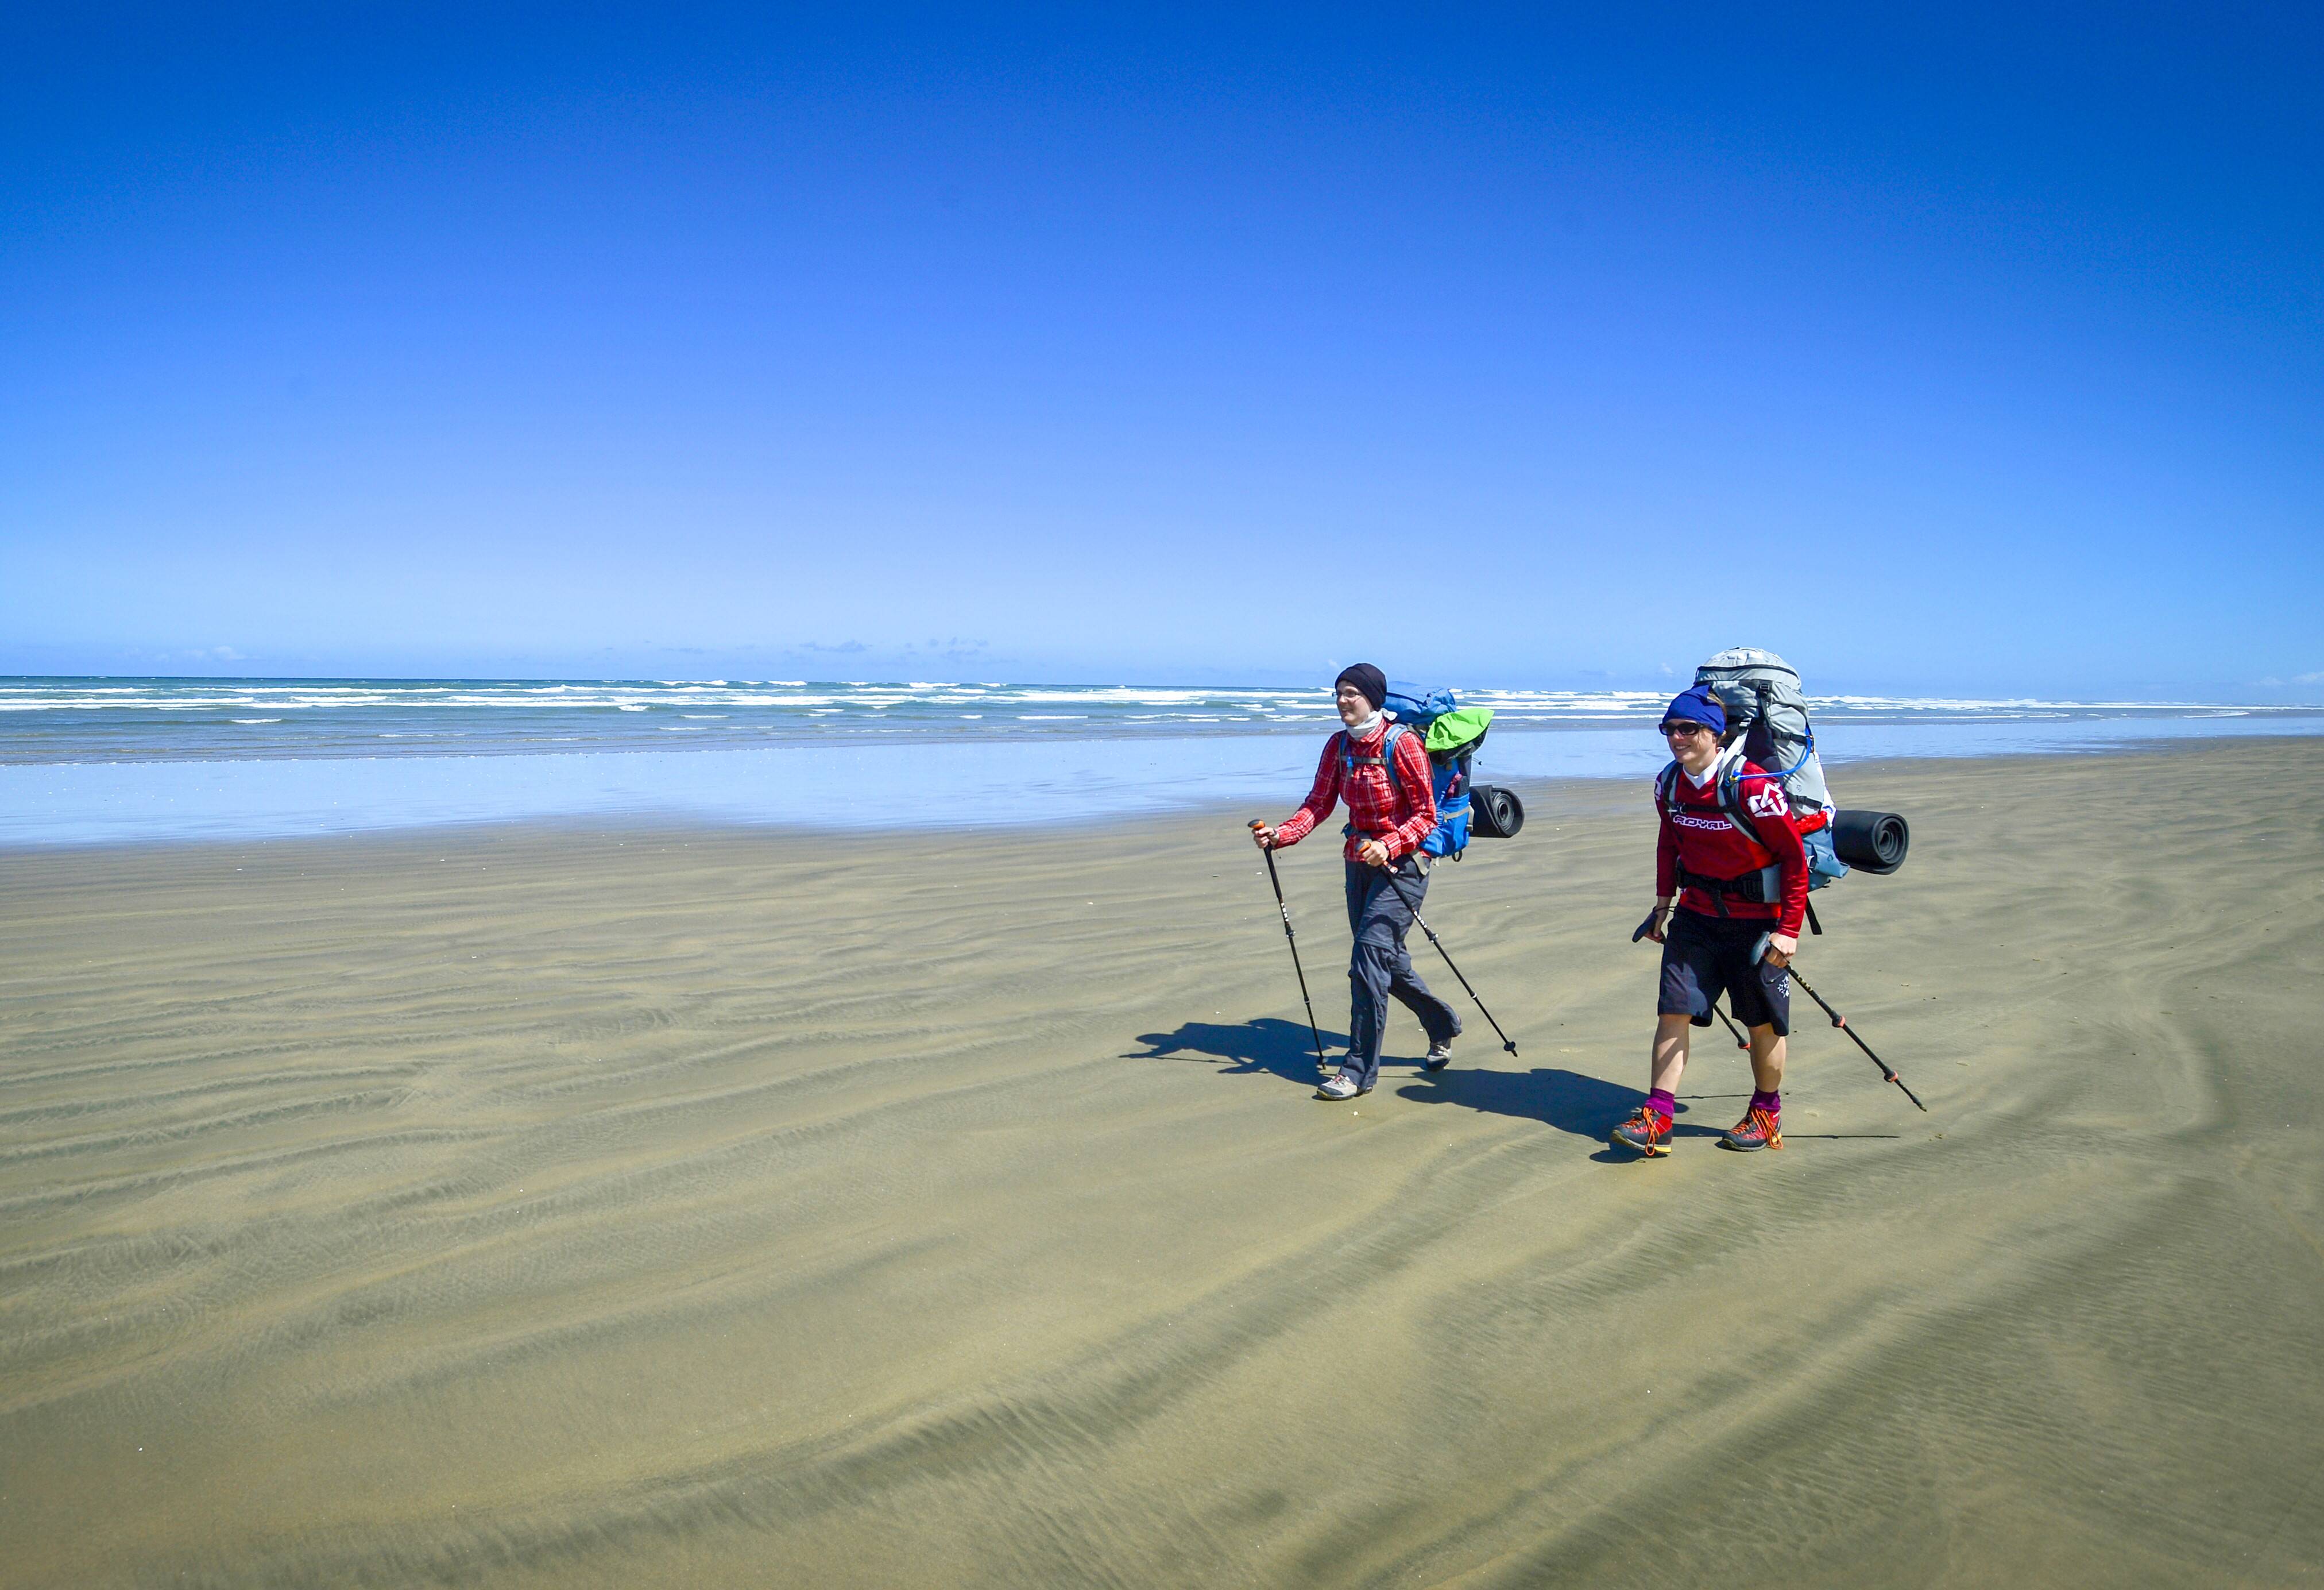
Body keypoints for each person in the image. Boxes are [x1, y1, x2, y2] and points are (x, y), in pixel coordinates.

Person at [1611, 683, 1809, 1156]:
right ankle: (1658, 1117)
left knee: (1761, 1024)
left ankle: (1765, 1112)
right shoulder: (1668, 784)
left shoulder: (1753, 787)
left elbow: (1793, 858)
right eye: (1668, 729)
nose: (1676, 738)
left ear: (1715, 734)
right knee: (1673, 1011)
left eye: (1688, 729)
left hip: (1756, 924)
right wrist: (1662, 907)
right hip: (1695, 917)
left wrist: (1788, 931)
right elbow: (1668, 844)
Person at [1252, 664, 1463, 1101]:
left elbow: (1426, 815)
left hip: (1405, 866)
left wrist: (1389, 844)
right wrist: (1281, 835)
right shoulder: (1338, 746)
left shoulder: (1402, 743)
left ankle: (1357, 1071)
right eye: (1338, 693)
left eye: (1351, 693)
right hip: (1358, 863)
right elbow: (1318, 803)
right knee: (1386, 962)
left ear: (1373, 698)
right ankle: (1441, 1022)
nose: (1342, 701)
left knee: (1367, 960)